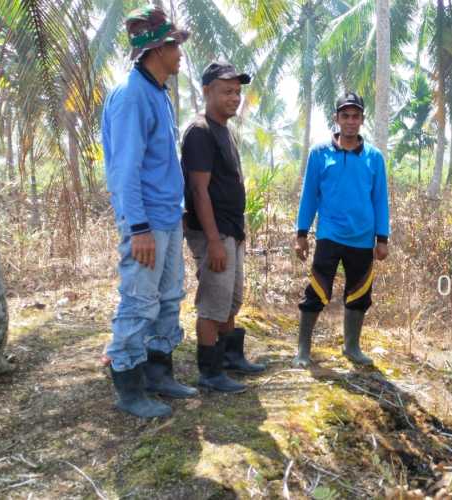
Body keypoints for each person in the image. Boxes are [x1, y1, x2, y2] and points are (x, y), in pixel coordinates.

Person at [101, 6, 197, 418]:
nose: (181, 55)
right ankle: (128, 383)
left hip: (167, 216)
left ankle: (159, 372)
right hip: (146, 223)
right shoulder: (131, 96)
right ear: (158, 48)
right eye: (176, 46)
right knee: (139, 301)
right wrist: (137, 226)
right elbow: (125, 170)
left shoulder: (157, 92)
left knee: (169, 296)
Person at [181, 60, 266, 394]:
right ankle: (209, 371)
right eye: (226, 91)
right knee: (212, 303)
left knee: (231, 299)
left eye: (237, 92)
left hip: (231, 229)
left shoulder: (224, 130)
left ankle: (230, 357)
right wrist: (214, 241)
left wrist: (237, 235)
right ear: (207, 91)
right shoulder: (200, 132)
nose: (234, 98)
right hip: (213, 232)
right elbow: (199, 190)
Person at [293, 92, 390, 368]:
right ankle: (303, 349)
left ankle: (352, 347)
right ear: (336, 118)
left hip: (362, 237)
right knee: (316, 290)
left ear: (362, 120)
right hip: (329, 235)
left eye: (355, 116)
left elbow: (380, 199)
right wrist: (301, 234)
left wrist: (382, 239)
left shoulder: (374, 157)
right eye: (345, 116)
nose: (350, 121)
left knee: (359, 293)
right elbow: (309, 195)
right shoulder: (319, 154)